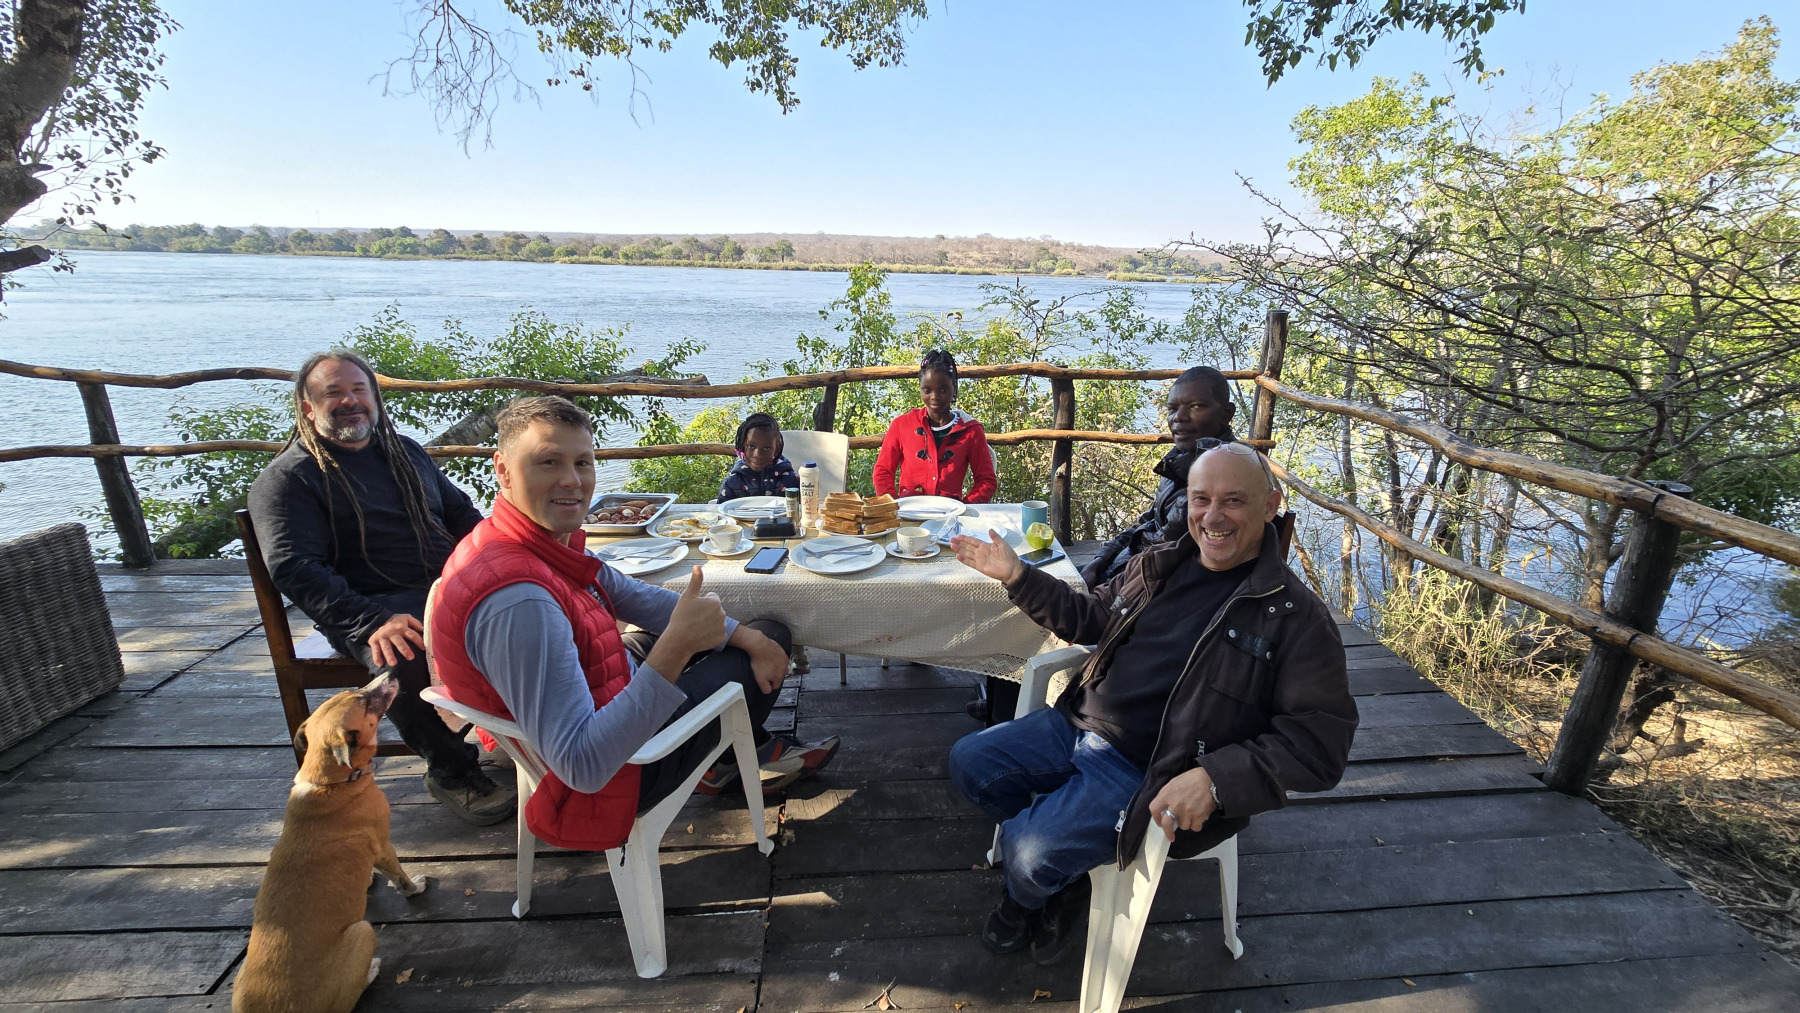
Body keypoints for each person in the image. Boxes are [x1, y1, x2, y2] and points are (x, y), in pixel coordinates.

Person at [945, 443, 1358, 965]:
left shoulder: (1295, 617)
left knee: (1028, 852)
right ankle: (1068, 870)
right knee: (970, 763)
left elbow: (1319, 744)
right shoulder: (1161, 563)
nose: (1212, 516)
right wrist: (1017, 576)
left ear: (1270, 505)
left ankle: (1030, 891)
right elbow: (1090, 617)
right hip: (1077, 723)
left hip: (1151, 770)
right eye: (1201, 499)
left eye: (1233, 501)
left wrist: (1215, 779)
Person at [427, 396, 839, 856]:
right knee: (773, 635)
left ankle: (728, 755)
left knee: (753, 636)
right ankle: (720, 759)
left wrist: (743, 636)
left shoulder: (527, 541)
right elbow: (584, 767)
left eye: (582, 462)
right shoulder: (518, 602)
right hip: (625, 771)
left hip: (606, 690)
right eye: (548, 462)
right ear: (503, 470)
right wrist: (678, 648)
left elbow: (634, 596)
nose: (572, 480)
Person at [248, 350, 515, 825]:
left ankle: (530, 740)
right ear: (308, 406)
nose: (350, 401)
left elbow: (463, 517)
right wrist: (372, 621)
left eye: (359, 390)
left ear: (375, 397)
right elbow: (293, 567)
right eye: (334, 393)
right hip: (368, 606)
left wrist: (502, 564)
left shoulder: (405, 452)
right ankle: (453, 771)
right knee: (403, 653)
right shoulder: (289, 479)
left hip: (444, 587)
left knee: (535, 608)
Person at [1081, 366, 1236, 588]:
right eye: (1172, 408)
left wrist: (1103, 583)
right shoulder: (1181, 460)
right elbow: (1149, 521)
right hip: (1134, 574)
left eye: (1196, 406)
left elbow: (1158, 552)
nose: (1179, 417)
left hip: (1162, 587)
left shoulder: (1223, 475)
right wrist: (1100, 560)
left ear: (1226, 414)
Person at [872, 349, 997, 503]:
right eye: (927, 390)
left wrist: (965, 507)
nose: (934, 397)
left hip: (952, 514)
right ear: (920, 388)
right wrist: (893, 505)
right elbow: (883, 471)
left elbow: (986, 481)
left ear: (954, 387)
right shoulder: (901, 425)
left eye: (943, 390)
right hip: (908, 512)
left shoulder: (971, 431)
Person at [718, 412, 800, 502]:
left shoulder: (791, 481)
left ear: (777, 449)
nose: (757, 454)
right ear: (743, 446)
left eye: (766, 448)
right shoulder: (732, 483)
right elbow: (722, 510)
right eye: (751, 446)